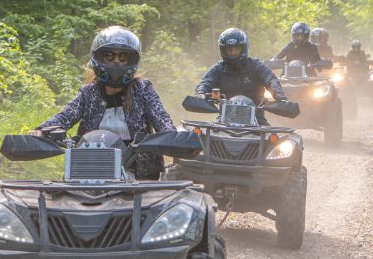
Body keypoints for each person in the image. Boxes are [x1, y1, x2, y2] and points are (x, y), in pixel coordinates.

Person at [33, 26, 175, 179]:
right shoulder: (88, 93)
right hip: (89, 173)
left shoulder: (143, 89)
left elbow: (161, 119)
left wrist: (174, 137)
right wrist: (41, 130)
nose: (116, 63)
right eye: (109, 56)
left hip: (139, 176)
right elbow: (64, 117)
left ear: (131, 60)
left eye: (123, 58)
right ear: (99, 58)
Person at [195, 28, 289, 107]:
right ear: (223, 50)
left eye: (236, 49)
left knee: (269, 125)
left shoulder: (256, 66)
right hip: (225, 117)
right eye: (229, 50)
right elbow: (206, 82)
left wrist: (279, 96)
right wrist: (200, 93)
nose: (232, 53)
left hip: (256, 117)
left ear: (243, 48)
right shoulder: (218, 69)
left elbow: (271, 80)